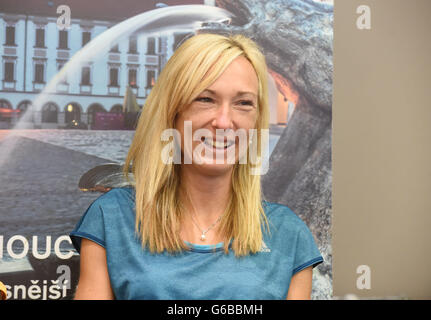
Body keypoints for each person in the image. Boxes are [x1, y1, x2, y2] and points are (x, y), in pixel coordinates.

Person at [69, 33, 323, 300]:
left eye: (243, 103)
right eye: (205, 99)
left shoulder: (288, 233)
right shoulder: (112, 217)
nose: (224, 122)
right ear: (172, 112)